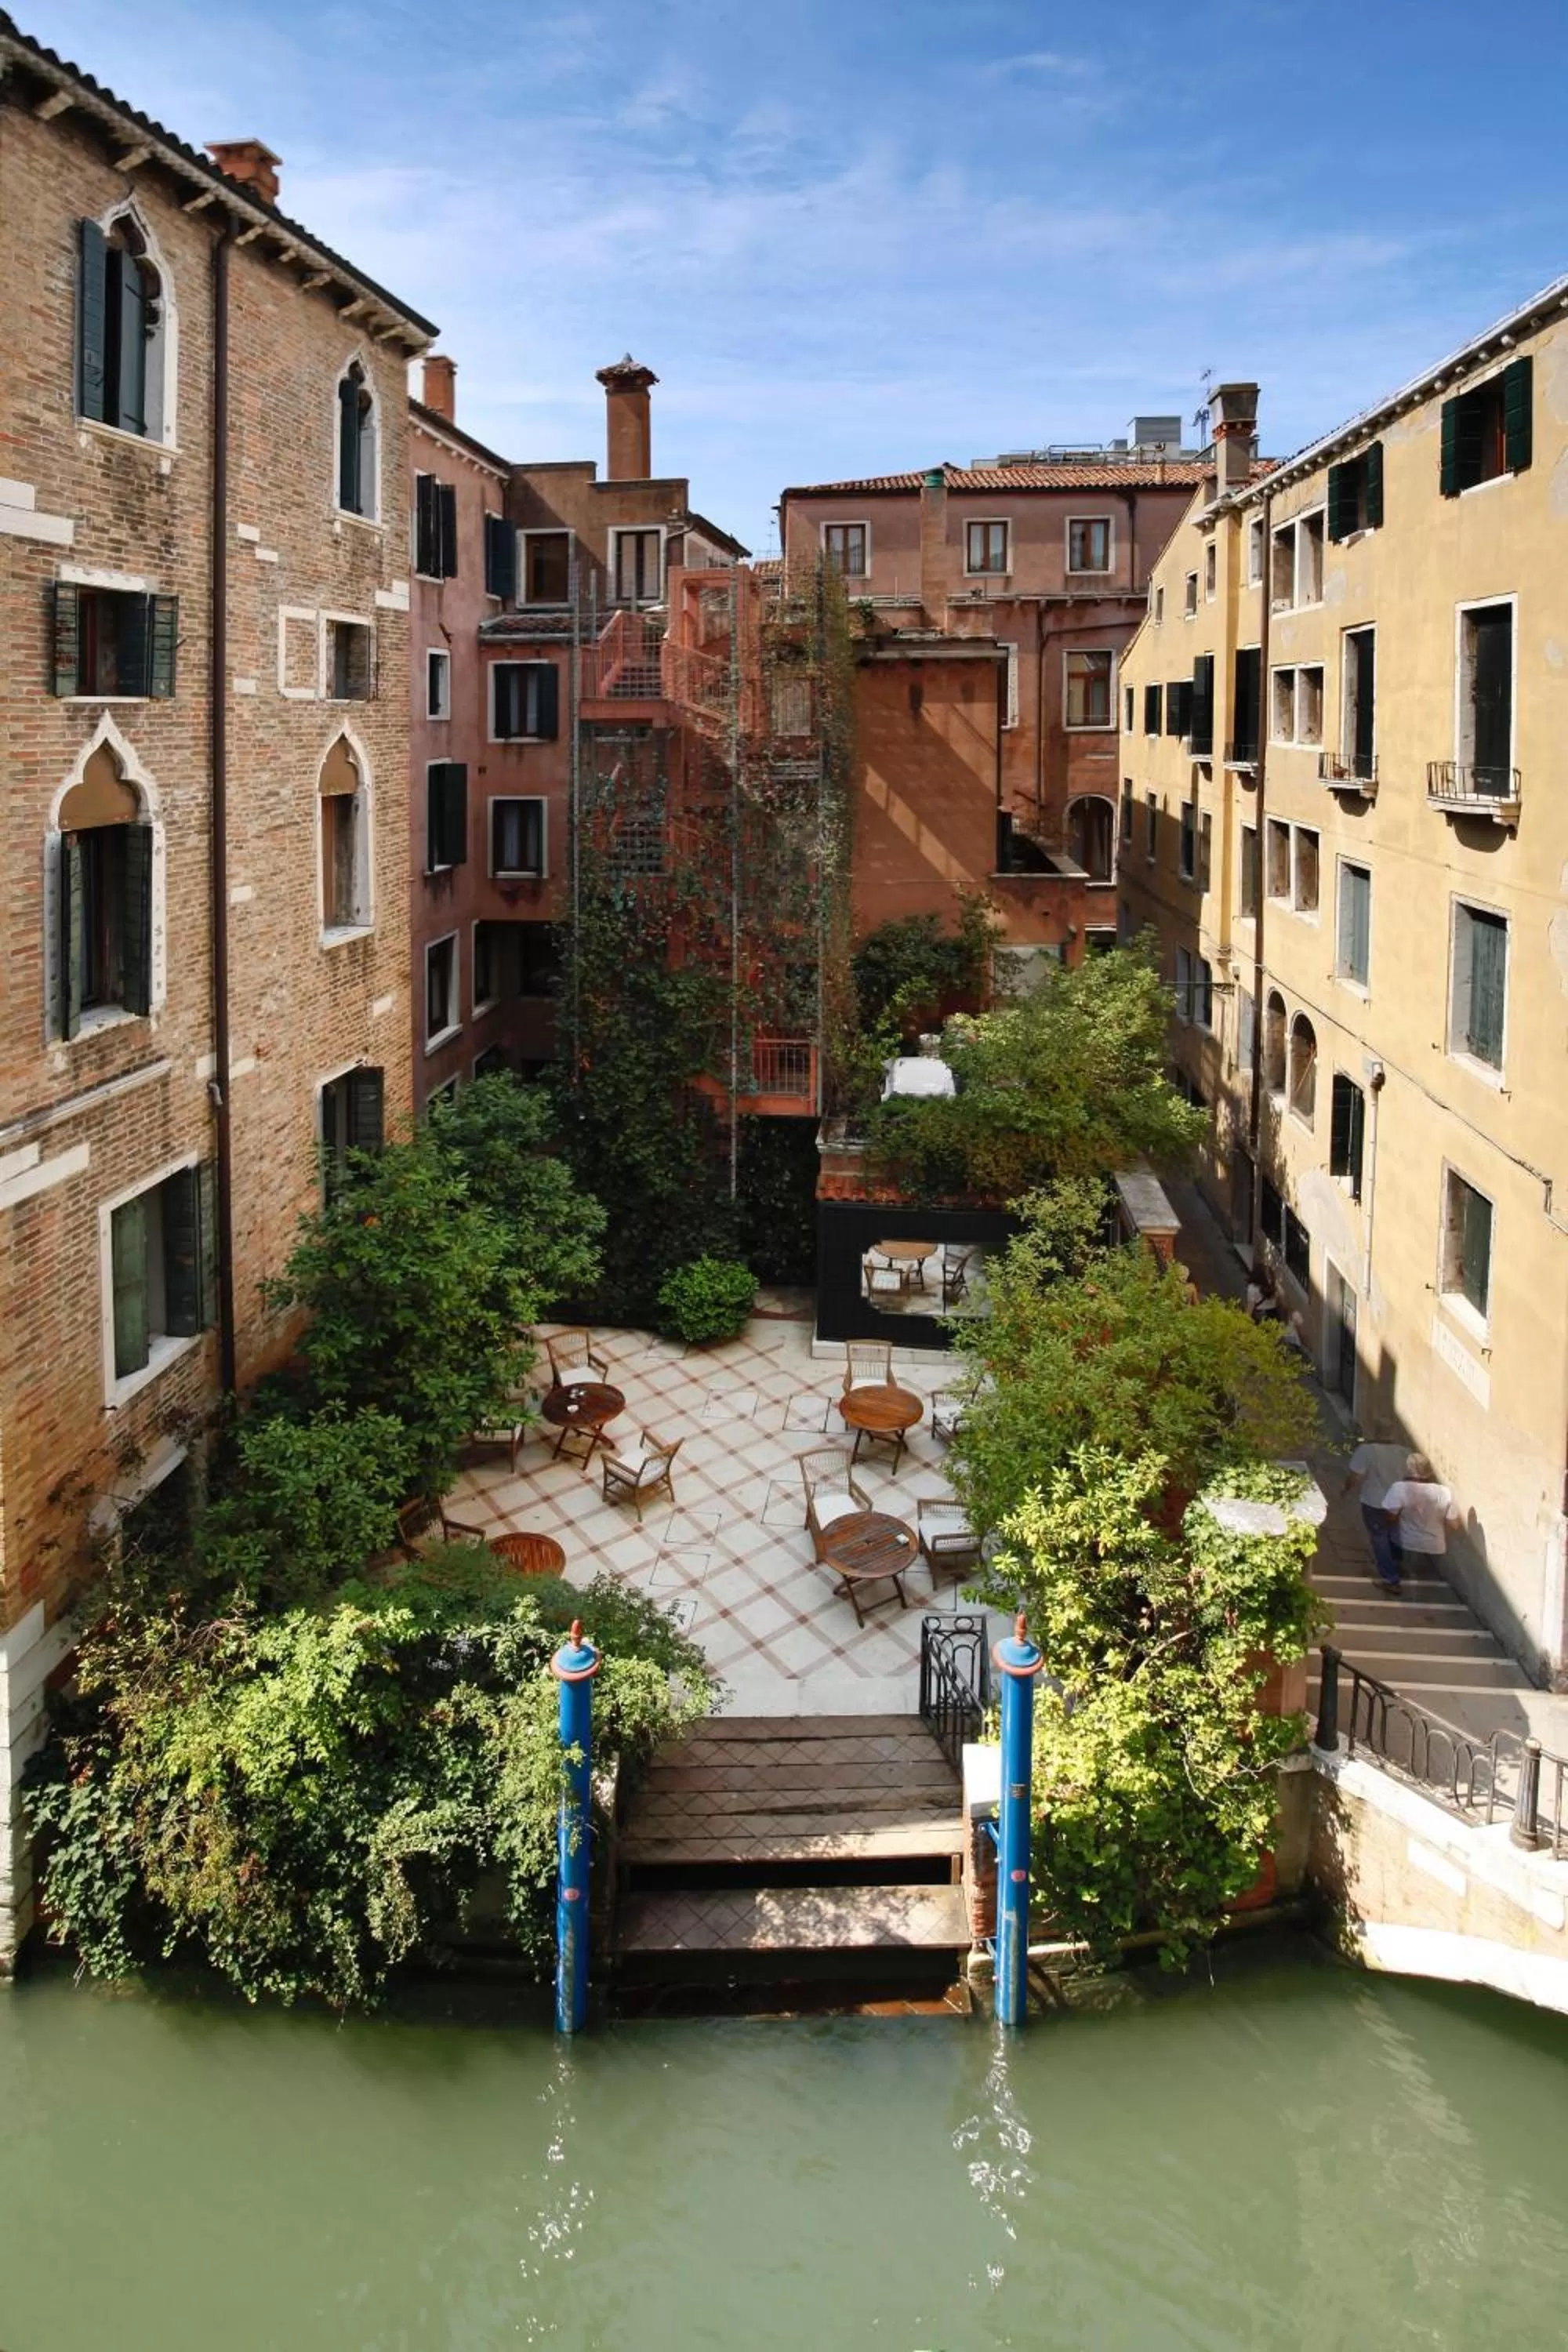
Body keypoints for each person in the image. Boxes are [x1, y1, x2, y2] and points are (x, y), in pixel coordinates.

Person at [1343, 1438, 1413, 1592]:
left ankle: (1391, 1579)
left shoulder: (1367, 1450)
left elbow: (1355, 1476)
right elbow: (1410, 1477)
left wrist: (1346, 1490)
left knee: (1379, 1538)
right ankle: (1397, 1565)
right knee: (1394, 1532)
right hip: (1397, 1502)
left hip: (1375, 1502)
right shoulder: (1405, 1452)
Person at [1380, 1454, 1461, 1581]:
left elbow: (1390, 1518)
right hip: (1435, 1547)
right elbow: (1454, 1525)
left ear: (1408, 1469)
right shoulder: (1445, 1492)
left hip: (1406, 1544)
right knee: (1428, 1584)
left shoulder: (1399, 1488)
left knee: (1407, 1581)